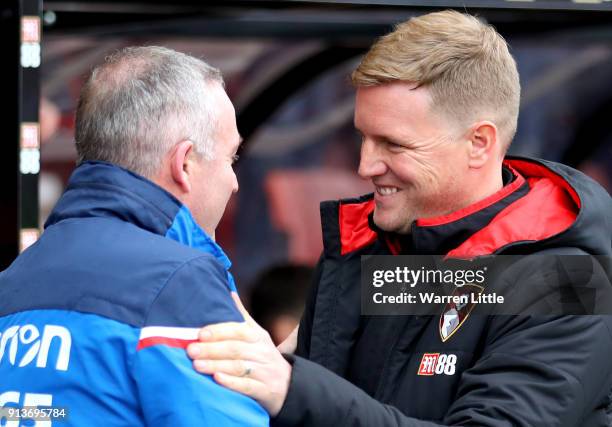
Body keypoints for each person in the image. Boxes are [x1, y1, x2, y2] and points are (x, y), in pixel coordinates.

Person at [186, 10, 612, 426]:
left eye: (393, 144)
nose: (366, 165)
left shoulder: (563, 285)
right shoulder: (367, 252)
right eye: (363, 138)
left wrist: (293, 388)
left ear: (480, 143)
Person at [0, 46, 268, 426]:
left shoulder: (14, 279)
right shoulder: (179, 285)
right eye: (231, 158)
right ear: (185, 163)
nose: (235, 182)